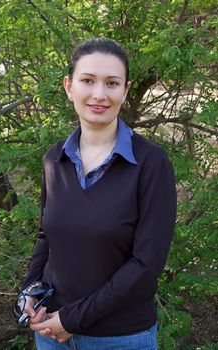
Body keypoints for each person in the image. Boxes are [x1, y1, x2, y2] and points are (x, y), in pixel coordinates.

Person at [21, 37, 177, 350]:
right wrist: (29, 291)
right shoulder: (54, 159)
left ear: (126, 90)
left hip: (120, 337)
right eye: (88, 80)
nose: (99, 94)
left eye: (112, 83)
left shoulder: (150, 163)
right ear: (69, 86)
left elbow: (145, 265)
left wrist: (73, 319)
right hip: (51, 331)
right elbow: (46, 237)